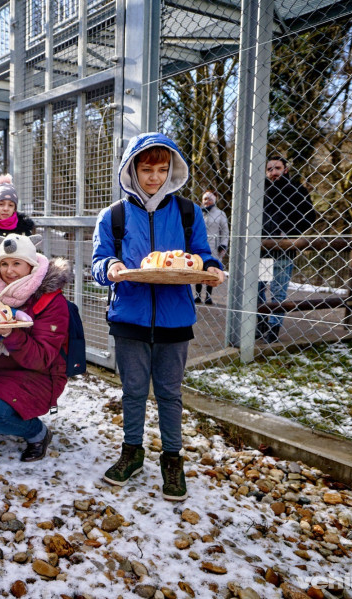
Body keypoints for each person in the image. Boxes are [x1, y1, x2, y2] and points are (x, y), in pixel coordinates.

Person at [91, 132, 225, 502]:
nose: (154, 177)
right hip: (129, 316)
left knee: (169, 392)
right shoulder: (114, 216)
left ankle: (172, 457)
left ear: (172, 170)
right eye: (146, 169)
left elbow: (200, 253)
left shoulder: (187, 212)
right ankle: (132, 451)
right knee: (133, 390)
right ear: (131, 170)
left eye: (162, 169)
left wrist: (212, 267)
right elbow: (99, 260)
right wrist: (111, 267)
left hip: (174, 317)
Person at [0, 234, 70, 461]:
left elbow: (43, 358)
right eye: (4, 264)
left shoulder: (51, 300)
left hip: (38, 373)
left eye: (17, 263)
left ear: (31, 265)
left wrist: (10, 333)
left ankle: (38, 433)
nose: (9, 271)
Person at [259, 156, 317, 343]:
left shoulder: (296, 189)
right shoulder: (259, 190)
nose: (273, 172)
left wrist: (289, 233)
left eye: (277, 168)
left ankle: (274, 328)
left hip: (284, 249)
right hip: (262, 250)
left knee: (278, 290)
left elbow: (310, 216)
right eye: (269, 169)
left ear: (285, 169)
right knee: (259, 288)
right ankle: (261, 324)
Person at [0, 174, 36, 267]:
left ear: (15, 208)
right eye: (1, 204)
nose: (6, 209)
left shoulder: (23, 230)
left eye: (10, 205)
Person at [195, 190, 229, 305]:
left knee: (212, 270)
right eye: (205, 199)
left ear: (214, 200)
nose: (207, 201)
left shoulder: (220, 214)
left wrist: (223, 245)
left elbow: (225, 231)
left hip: (214, 246)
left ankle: (208, 296)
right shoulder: (199, 213)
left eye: (209, 199)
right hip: (200, 245)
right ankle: (198, 295)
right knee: (199, 269)